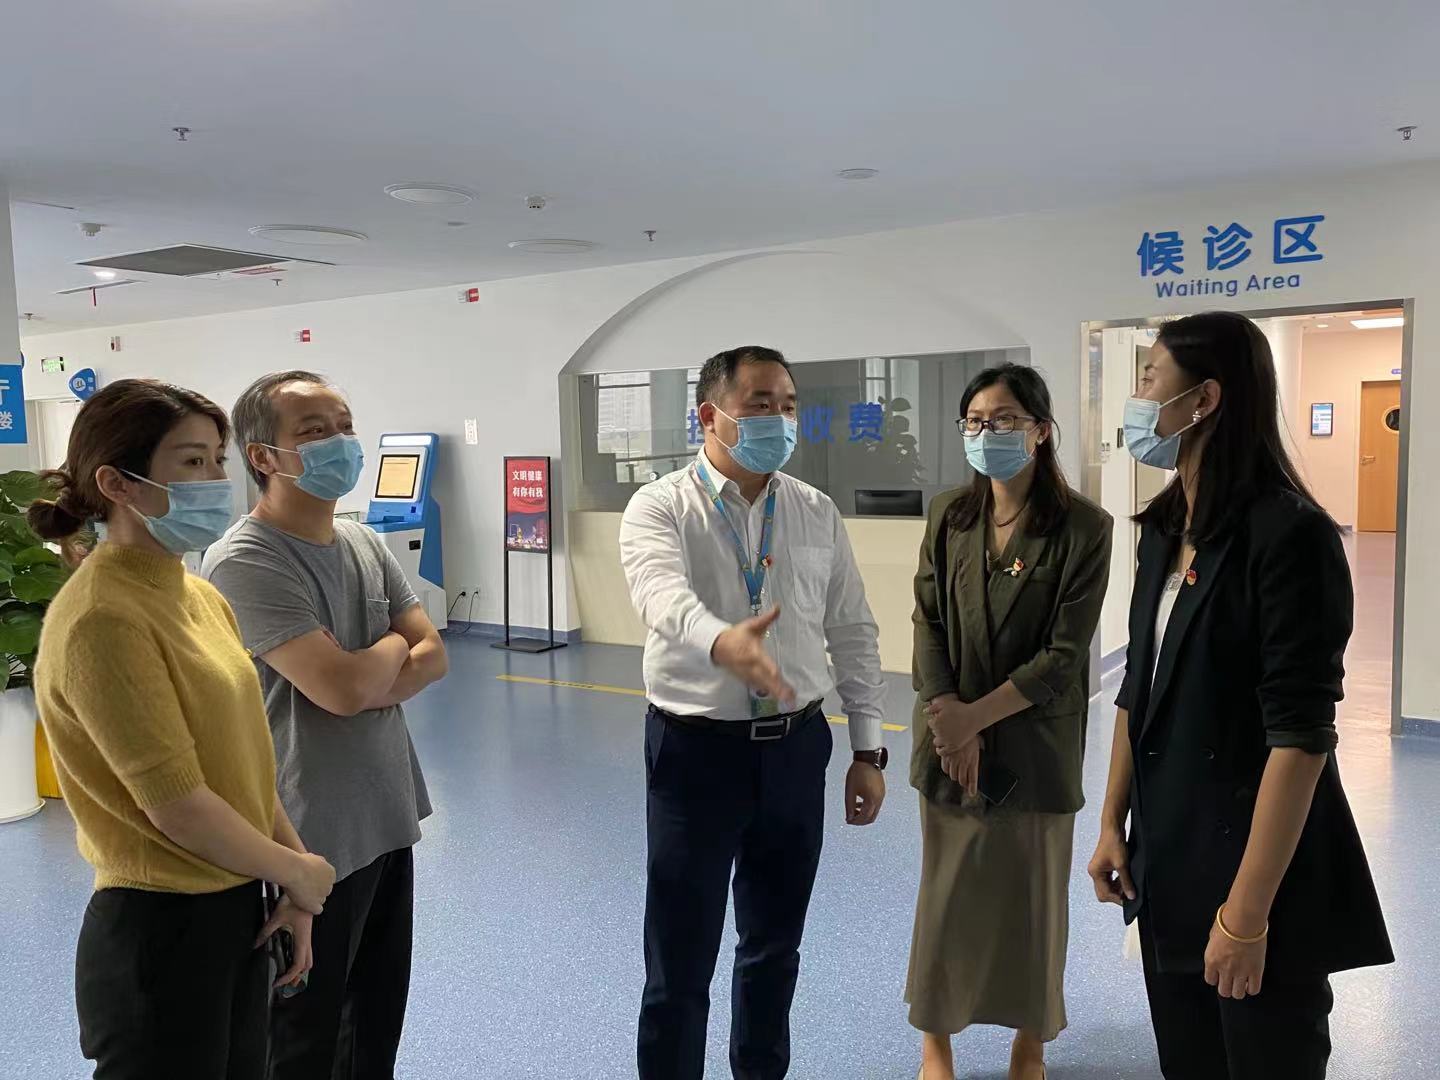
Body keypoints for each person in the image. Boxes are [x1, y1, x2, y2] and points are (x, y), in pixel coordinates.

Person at [1086, 311, 1393, 1080]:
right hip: (1169, 857)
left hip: (1259, 876)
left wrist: (1247, 915)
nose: (1137, 398)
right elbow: (1137, 688)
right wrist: (1114, 821)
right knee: (1187, 1060)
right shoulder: (1164, 530)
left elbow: (1300, 736)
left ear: (1204, 399)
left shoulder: (1290, 536)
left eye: (1150, 378)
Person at [30, 379, 335, 1080]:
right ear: (117, 483)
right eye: (192, 461)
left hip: (238, 906)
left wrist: (293, 880)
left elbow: (245, 763)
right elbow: (176, 803)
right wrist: (297, 871)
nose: (216, 480)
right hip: (160, 930)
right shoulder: (101, 619)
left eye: (218, 459)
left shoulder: (199, 596)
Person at [619, 345, 888, 1080]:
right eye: (761, 404)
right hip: (694, 753)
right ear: (711, 416)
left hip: (796, 749)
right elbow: (659, 595)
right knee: (679, 960)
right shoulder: (660, 506)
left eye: (789, 405)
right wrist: (721, 641)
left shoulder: (814, 509)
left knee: (773, 949)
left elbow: (853, 629)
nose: (780, 419)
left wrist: (868, 749)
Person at [202, 371, 448, 1080]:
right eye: (314, 432)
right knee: (306, 1040)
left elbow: (435, 654)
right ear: (263, 456)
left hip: (385, 817)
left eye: (345, 427)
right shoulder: (246, 561)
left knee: (374, 1025)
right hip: (307, 837)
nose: (340, 443)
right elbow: (340, 690)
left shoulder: (362, 541)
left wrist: (373, 662)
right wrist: (394, 644)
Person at [908, 364, 1111, 1080]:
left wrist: (975, 721)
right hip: (948, 739)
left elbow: (1063, 655)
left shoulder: (1084, 527)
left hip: (1034, 743)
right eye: (974, 421)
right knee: (946, 896)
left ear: (1041, 431)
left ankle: (1031, 1042)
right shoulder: (949, 515)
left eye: (1002, 420)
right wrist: (948, 717)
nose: (985, 432)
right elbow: (927, 620)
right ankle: (936, 1042)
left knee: (1033, 901)